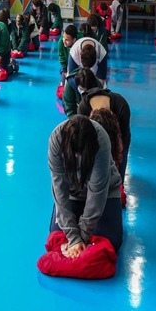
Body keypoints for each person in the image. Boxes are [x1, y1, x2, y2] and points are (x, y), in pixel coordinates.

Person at [48, 116, 124, 255]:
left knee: (112, 242)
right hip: (73, 193)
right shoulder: (56, 140)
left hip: (106, 192)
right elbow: (59, 189)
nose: (78, 157)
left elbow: (97, 192)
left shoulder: (101, 140)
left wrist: (82, 236)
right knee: (56, 237)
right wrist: (73, 238)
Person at [76, 69, 131, 181]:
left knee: (118, 174)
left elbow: (124, 141)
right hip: (94, 142)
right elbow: (83, 144)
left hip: (119, 140)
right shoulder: (83, 109)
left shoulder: (121, 106)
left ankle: (119, 182)